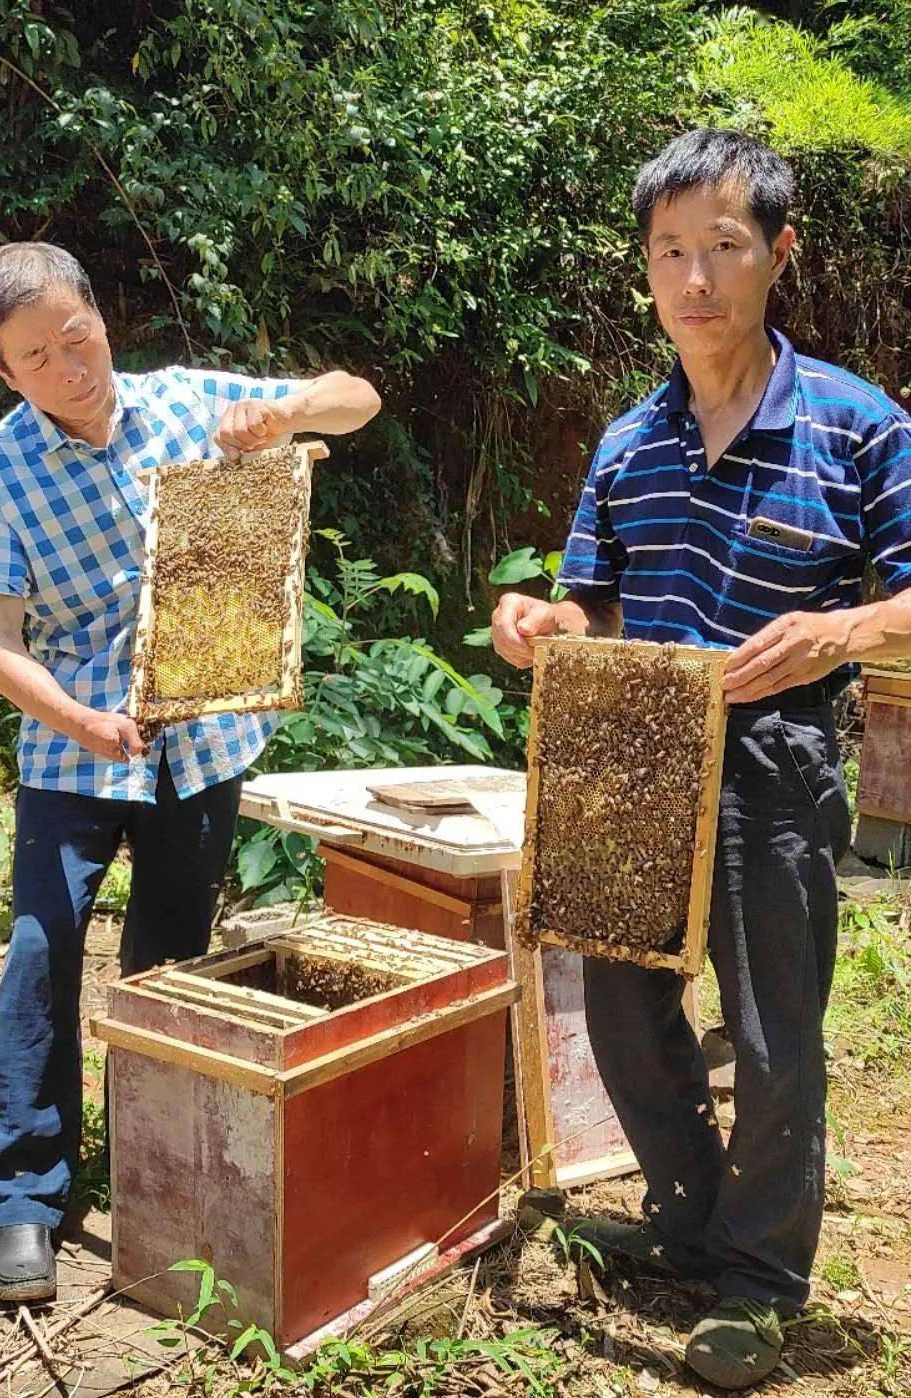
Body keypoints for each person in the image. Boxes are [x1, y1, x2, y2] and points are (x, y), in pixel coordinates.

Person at [492, 128, 911, 1391]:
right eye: (669, 251)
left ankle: (760, 1280)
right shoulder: (627, 445)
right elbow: (592, 610)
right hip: (627, 759)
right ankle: (684, 1221)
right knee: (620, 1008)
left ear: (777, 253)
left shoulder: (861, 424)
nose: (694, 278)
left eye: (721, 246)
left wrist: (840, 629)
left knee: (775, 1034)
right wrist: (540, 624)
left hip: (776, 765)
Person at [0, 242, 381, 1304]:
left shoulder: (190, 400)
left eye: (76, 334)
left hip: (205, 742)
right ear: (4, 372)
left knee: (170, 965)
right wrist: (79, 719)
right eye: (36, 355)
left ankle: (157, 1174)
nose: (69, 365)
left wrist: (282, 417)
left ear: (101, 315)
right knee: (41, 956)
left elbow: (357, 397)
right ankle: (20, 1201)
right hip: (74, 747)